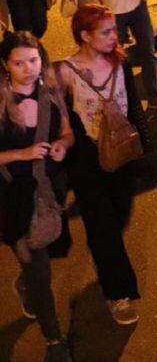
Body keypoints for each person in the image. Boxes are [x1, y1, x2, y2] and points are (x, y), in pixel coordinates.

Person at [55, 5, 147, 325]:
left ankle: (106, 259)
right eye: (106, 32)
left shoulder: (120, 62)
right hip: (87, 163)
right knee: (104, 227)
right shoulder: (65, 72)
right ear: (85, 36)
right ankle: (119, 294)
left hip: (122, 156)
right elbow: (59, 120)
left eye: (114, 31)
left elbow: (133, 106)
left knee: (119, 218)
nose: (114, 37)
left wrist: (143, 146)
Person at [0, 32, 74, 362]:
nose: (28, 68)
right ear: (5, 66)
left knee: (42, 261)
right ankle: (54, 338)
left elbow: (67, 133)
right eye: (19, 62)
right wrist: (22, 154)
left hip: (46, 192)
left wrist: (62, 146)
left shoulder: (51, 94)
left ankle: (25, 282)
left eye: (33, 60)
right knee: (39, 273)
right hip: (10, 196)